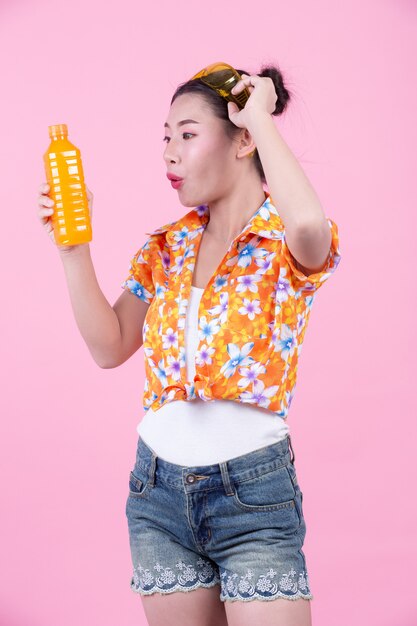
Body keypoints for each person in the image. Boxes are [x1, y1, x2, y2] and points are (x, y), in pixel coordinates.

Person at [37, 61, 341, 626]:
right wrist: (72, 251)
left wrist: (261, 116)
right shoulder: (167, 248)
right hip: (157, 494)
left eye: (187, 134)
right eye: (165, 138)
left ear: (243, 140)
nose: (169, 153)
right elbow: (110, 346)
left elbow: (309, 226)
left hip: (253, 496)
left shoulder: (284, 238)